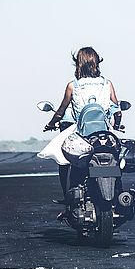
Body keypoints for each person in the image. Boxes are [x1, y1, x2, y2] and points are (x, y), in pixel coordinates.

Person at [44, 47, 123, 195]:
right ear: (96, 63)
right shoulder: (107, 84)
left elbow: (61, 111)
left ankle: (68, 196)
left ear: (79, 64)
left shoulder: (73, 85)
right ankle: (117, 192)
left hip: (83, 134)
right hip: (105, 134)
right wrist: (117, 125)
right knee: (116, 159)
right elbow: (117, 110)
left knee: (64, 159)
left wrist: (51, 124)